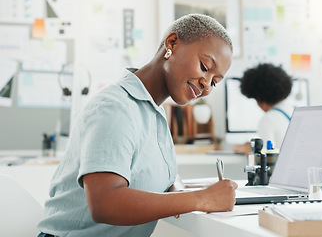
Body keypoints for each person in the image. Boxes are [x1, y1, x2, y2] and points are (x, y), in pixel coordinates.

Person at [37, 14, 237, 237]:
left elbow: (166, 175)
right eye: (204, 66)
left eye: (215, 82)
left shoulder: (153, 112)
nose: (206, 85)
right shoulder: (115, 107)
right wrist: (201, 199)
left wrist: (177, 189)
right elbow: (105, 204)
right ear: (172, 43)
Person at [233, 63, 293, 156]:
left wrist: (246, 149)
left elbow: (266, 157)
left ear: (259, 99)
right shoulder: (292, 111)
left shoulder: (268, 119)